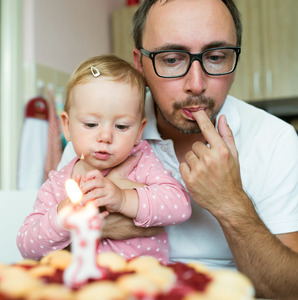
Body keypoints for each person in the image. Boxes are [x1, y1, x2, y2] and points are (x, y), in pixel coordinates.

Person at [59, 0, 298, 299]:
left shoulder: (273, 138)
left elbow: (288, 289)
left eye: (216, 57)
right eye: (172, 59)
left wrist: (230, 203)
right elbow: (47, 254)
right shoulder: (100, 134)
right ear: (140, 63)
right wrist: (93, 225)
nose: (196, 84)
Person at [17, 55, 191, 264]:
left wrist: (124, 199)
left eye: (122, 126)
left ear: (139, 130)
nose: (105, 137)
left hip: (141, 283)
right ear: (66, 125)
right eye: (91, 124)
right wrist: (61, 218)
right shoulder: (58, 183)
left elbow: (180, 206)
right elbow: (27, 246)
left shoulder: (141, 160)